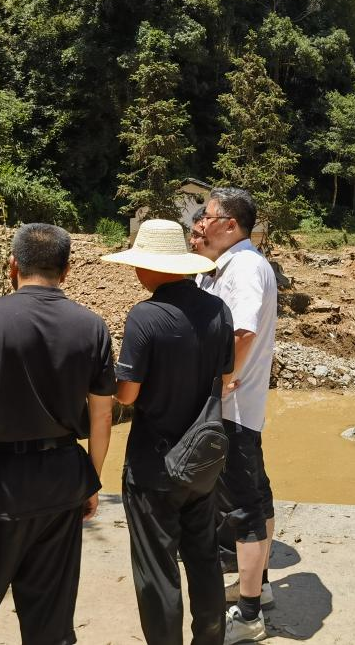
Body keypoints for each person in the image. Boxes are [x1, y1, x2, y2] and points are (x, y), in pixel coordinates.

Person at [0, 223, 115, 645]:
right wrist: (92, 480)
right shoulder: (91, 326)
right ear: (66, 271)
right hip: (63, 480)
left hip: (0, 486)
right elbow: (102, 417)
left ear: (12, 265)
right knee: (50, 622)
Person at [104, 219, 234, 645]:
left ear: (150, 267)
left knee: (156, 569)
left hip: (154, 465)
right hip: (204, 459)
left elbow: (126, 394)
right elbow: (226, 374)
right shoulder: (218, 309)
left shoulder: (146, 316)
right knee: (204, 558)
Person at [194, 187, 278, 645]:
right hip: (243, 407)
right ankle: (259, 589)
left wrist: (225, 374)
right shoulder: (231, 264)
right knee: (257, 497)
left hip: (234, 407)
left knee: (243, 507)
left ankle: (248, 616)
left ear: (230, 224)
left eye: (206, 217)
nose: (200, 224)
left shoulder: (244, 267)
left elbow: (242, 330)